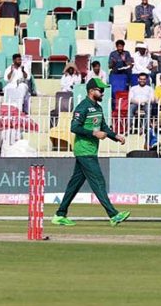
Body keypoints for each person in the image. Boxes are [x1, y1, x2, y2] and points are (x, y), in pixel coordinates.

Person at [52, 78, 130, 227]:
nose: (103, 93)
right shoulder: (83, 107)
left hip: (91, 150)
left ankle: (60, 214)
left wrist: (116, 136)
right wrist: (94, 133)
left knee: (74, 184)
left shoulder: (98, 108)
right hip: (83, 150)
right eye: (100, 90)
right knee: (98, 181)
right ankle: (113, 215)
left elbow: (104, 128)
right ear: (91, 91)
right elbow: (74, 127)